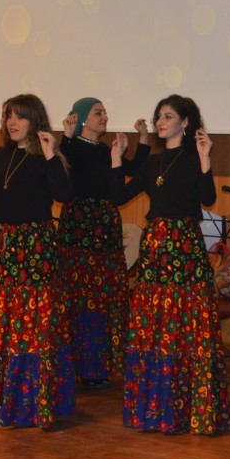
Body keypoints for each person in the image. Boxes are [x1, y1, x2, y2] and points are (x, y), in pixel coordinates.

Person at [110, 94, 230, 435]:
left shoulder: (194, 158)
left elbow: (207, 198)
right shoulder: (151, 163)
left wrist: (206, 159)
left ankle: (186, 407)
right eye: (158, 117)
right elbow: (119, 197)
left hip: (184, 246)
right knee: (155, 322)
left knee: (184, 322)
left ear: (185, 122)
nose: (160, 122)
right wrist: (117, 160)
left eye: (167, 116)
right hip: (156, 247)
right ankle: (154, 406)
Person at [0, 94, 75, 428]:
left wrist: (52, 154)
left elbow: (64, 196)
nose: (12, 122)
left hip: (34, 249)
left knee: (31, 325)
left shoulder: (45, 158)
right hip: (1, 248)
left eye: (20, 117)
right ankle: (0, 398)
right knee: (1, 323)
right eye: (8, 115)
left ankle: (31, 402)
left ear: (35, 121)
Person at [56, 97, 148, 387]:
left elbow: (133, 169)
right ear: (82, 118)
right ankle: (78, 365)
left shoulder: (107, 150)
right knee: (80, 296)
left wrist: (143, 139)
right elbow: (62, 166)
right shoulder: (71, 147)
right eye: (98, 112)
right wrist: (66, 136)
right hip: (80, 230)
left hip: (105, 229)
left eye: (105, 111)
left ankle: (98, 365)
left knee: (104, 297)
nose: (105, 116)